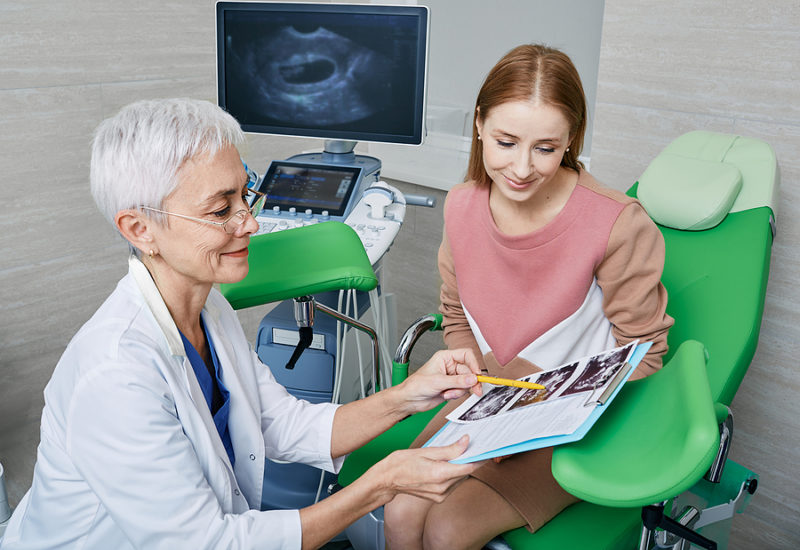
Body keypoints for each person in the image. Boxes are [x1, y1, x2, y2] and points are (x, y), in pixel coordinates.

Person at [0, 98, 486, 550]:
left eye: (244, 195)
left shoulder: (208, 309)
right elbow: (210, 543)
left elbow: (284, 424)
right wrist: (379, 485)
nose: (249, 222)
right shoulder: (113, 377)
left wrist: (408, 395)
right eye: (220, 210)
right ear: (140, 229)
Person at [383, 44, 673, 549]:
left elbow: (646, 355)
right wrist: (475, 380)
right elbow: (456, 316)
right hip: (490, 398)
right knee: (400, 509)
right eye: (505, 141)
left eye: (545, 147)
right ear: (479, 124)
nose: (520, 168)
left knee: (449, 531)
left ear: (570, 141)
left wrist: (543, 417)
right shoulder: (462, 207)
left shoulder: (617, 224)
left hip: (573, 419)